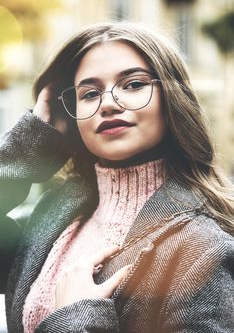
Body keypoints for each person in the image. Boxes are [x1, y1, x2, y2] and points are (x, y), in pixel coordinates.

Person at [0, 22, 233, 333]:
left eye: (134, 85)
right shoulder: (53, 216)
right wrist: (29, 148)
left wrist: (78, 317)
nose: (108, 103)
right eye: (90, 93)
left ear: (172, 99)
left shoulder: (203, 247)